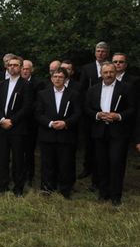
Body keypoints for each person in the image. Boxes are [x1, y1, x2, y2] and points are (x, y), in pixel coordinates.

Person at [85, 62, 136, 206]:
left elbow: (132, 109)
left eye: (111, 72)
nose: (108, 75)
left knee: (116, 163)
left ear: (115, 72)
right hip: (99, 131)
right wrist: (97, 115)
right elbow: (87, 108)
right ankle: (103, 192)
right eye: (105, 72)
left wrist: (118, 116)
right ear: (101, 73)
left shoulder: (126, 88)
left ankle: (116, 195)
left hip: (118, 132)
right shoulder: (93, 89)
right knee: (101, 163)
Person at [35, 68, 82, 198]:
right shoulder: (42, 94)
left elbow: (78, 113)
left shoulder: (74, 94)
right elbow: (38, 113)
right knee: (47, 163)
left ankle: (65, 189)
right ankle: (47, 188)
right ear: (51, 78)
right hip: (47, 133)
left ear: (65, 79)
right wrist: (50, 123)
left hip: (65, 134)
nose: (57, 79)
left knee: (65, 163)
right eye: (55, 76)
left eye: (60, 77)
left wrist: (66, 123)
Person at [0, 55, 33, 196]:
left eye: (15, 65)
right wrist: (2, 119)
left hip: (18, 128)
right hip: (1, 127)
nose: (12, 67)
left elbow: (27, 107)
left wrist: (12, 121)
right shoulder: (0, 85)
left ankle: (18, 187)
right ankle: (3, 186)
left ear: (21, 68)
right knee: (3, 158)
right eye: (10, 65)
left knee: (18, 159)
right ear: (6, 67)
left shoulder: (26, 85)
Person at [79, 41, 110, 184]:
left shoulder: (111, 68)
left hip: (108, 111)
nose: (100, 53)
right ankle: (87, 167)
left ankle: (102, 170)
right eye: (98, 50)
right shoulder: (87, 68)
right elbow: (82, 88)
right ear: (94, 52)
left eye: (103, 51)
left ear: (107, 53)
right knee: (89, 141)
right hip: (90, 110)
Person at [21, 59, 46, 186]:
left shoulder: (39, 83)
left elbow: (38, 102)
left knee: (29, 151)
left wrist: (25, 110)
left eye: (27, 69)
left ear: (32, 70)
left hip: (30, 123)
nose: (25, 71)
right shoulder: (16, 82)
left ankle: (29, 176)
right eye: (23, 68)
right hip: (16, 123)